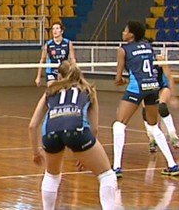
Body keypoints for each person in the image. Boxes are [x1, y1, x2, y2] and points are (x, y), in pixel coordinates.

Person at [28, 61, 118, 210]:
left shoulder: (50, 91)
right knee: (107, 175)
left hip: (51, 131)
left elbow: (32, 125)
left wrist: (35, 152)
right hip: (77, 130)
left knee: (52, 176)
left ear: (59, 76)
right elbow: (94, 128)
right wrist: (86, 153)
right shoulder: (88, 90)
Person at [112, 21, 179, 177]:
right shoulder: (148, 47)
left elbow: (118, 79)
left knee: (119, 124)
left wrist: (122, 81)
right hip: (153, 87)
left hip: (137, 88)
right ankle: (172, 164)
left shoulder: (123, 50)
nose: (123, 32)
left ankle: (116, 167)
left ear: (131, 34)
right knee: (154, 126)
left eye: (125, 30)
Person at [143, 53, 179, 152]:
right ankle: (151, 139)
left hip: (161, 86)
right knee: (146, 111)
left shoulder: (158, 59)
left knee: (162, 107)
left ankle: (173, 136)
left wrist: (173, 96)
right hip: (147, 87)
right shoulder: (137, 60)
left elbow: (169, 76)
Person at [35, 22, 76, 87]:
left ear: (61, 31)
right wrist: (38, 77)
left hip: (63, 71)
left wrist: (74, 73)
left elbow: (73, 59)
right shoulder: (48, 44)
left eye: (57, 28)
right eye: (53, 29)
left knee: (64, 88)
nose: (55, 30)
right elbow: (42, 60)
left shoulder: (68, 43)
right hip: (51, 71)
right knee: (51, 88)